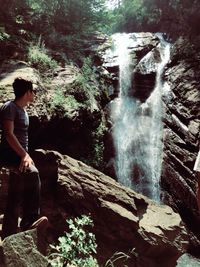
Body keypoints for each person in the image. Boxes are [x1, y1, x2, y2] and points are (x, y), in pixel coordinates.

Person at [0, 77, 47, 239]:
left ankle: (7, 234)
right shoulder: (9, 107)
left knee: (14, 196)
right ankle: (30, 220)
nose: (35, 94)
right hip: (9, 154)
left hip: (19, 157)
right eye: (33, 91)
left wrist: (24, 156)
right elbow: (8, 133)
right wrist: (24, 155)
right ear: (27, 92)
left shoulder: (24, 111)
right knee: (33, 174)